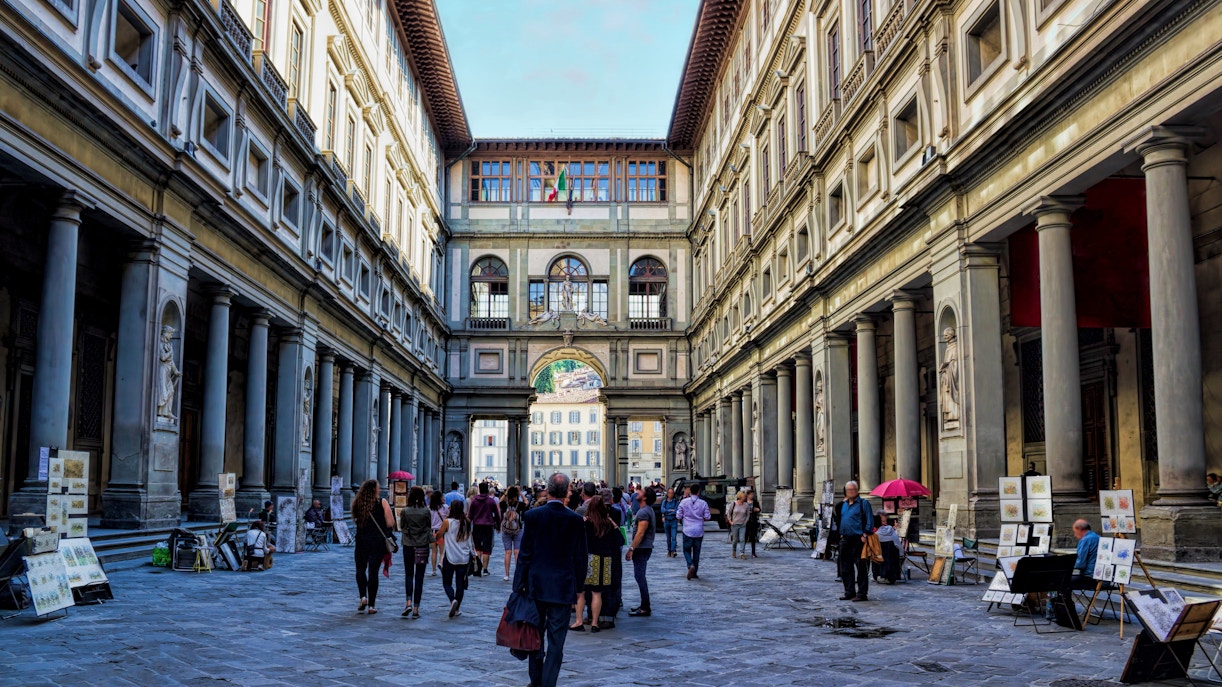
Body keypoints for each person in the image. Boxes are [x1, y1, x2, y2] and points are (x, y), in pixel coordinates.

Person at [513, 473, 586, 687]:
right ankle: (548, 683)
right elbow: (580, 558)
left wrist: (518, 586)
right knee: (556, 642)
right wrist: (578, 587)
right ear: (567, 493)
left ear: (549, 490)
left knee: (535, 638)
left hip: (536, 587)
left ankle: (536, 681)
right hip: (563, 588)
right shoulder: (575, 520)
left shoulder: (533, 516)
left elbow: (525, 554)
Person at [574, 497, 620, 633]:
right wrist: (612, 522)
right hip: (605, 561)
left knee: (581, 592)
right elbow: (620, 540)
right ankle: (595, 623)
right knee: (597, 593)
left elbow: (576, 540)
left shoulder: (585, 523)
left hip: (588, 559)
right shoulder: (607, 524)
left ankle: (579, 621)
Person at [351, 478, 395, 615]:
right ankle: (371, 605)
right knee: (373, 572)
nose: (380, 490)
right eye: (378, 487)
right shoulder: (382, 502)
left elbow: (356, 521)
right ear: (374, 490)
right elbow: (390, 523)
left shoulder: (358, 503)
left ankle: (363, 597)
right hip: (377, 542)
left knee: (360, 569)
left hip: (361, 541)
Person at [837, 480, 874, 602]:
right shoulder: (844, 504)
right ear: (846, 491)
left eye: (853, 490)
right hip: (845, 539)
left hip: (858, 540)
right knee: (845, 568)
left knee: (861, 567)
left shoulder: (864, 504)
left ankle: (862, 593)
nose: (851, 492)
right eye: (848, 490)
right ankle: (849, 592)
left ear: (857, 491)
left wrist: (865, 534)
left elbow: (870, 520)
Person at [398, 486, 431, 619]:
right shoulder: (426, 511)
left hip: (408, 545)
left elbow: (402, 527)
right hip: (422, 545)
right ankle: (416, 609)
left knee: (409, 574)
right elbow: (428, 527)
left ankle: (408, 602)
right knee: (419, 577)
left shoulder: (405, 511)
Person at [437, 500, 472, 618]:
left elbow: (438, 535)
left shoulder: (447, 522)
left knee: (447, 582)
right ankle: (457, 608)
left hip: (450, 556)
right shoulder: (467, 521)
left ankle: (452, 600)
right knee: (460, 584)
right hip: (464, 557)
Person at [626, 487, 656, 616]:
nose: (638, 493)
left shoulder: (643, 512)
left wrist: (632, 548)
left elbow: (640, 533)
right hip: (644, 547)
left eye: (641, 492)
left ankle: (645, 607)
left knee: (640, 576)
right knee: (640, 576)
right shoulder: (646, 510)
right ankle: (644, 605)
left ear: (644, 497)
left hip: (642, 548)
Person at [677, 483, 711, 580]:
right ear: (699, 491)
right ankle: (694, 571)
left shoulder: (684, 502)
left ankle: (690, 565)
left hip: (687, 529)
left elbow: (678, 516)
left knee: (686, 550)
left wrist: (684, 516)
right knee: (697, 552)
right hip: (699, 530)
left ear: (690, 491)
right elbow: (707, 517)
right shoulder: (703, 503)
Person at [468, 481, 501, 577]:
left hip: (477, 526)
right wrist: (498, 526)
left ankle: (477, 568)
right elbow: (497, 515)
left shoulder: (474, 500)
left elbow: (470, 515)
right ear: (487, 490)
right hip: (488, 526)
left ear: (479, 489)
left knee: (477, 547)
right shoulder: (491, 501)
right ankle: (485, 569)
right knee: (487, 548)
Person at [501, 485, 526, 581]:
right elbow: (526, 502)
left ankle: (506, 574)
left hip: (506, 530)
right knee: (517, 552)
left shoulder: (504, 504)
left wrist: (506, 492)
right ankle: (518, 573)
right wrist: (520, 493)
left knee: (508, 552)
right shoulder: (519, 504)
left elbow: (498, 502)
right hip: (517, 529)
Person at [1069, 519, 1100, 590]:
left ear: (1080, 529)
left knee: (1062, 581)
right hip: (1101, 578)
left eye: (1075, 532)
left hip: (1090, 577)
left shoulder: (1085, 540)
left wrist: (1067, 566)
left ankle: (1065, 600)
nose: (1075, 535)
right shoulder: (1098, 537)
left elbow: (1080, 564)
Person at [872, 515, 901, 584]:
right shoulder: (890, 528)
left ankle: (880, 575)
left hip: (881, 556)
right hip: (893, 555)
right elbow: (897, 542)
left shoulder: (875, 534)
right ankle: (893, 576)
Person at [428, 489, 448, 576]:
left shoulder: (429, 509)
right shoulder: (445, 507)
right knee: (442, 551)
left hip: (432, 532)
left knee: (434, 551)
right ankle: (441, 563)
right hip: (441, 532)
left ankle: (433, 570)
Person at [727, 490, 751, 560]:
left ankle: (742, 553)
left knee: (742, 539)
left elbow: (748, 514)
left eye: (745, 497)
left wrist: (746, 521)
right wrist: (730, 521)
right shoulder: (734, 504)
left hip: (742, 525)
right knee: (735, 540)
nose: (745, 498)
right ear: (740, 497)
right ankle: (734, 551)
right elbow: (729, 513)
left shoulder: (746, 505)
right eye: (744, 497)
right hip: (734, 524)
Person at [659, 488, 680, 557]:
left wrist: (668, 512)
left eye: (672, 493)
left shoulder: (676, 502)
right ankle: (669, 550)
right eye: (670, 493)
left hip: (674, 520)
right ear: (667, 494)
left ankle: (673, 550)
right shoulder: (664, 502)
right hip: (667, 521)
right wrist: (670, 511)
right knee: (668, 537)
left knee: (674, 537)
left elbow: (676, 511)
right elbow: (662, 510)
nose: (671, 494)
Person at [745, 490, 761, 558]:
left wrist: (757, 510)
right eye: (751, 494)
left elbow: (759, 509)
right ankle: (742, 551)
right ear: (748, 495)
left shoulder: (755, 502)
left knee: (753, 537)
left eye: (753, 494)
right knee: (745, 537)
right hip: (746, 522)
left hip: (753, 521)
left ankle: (753, 553)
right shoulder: (744, 502)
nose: (752, 496)